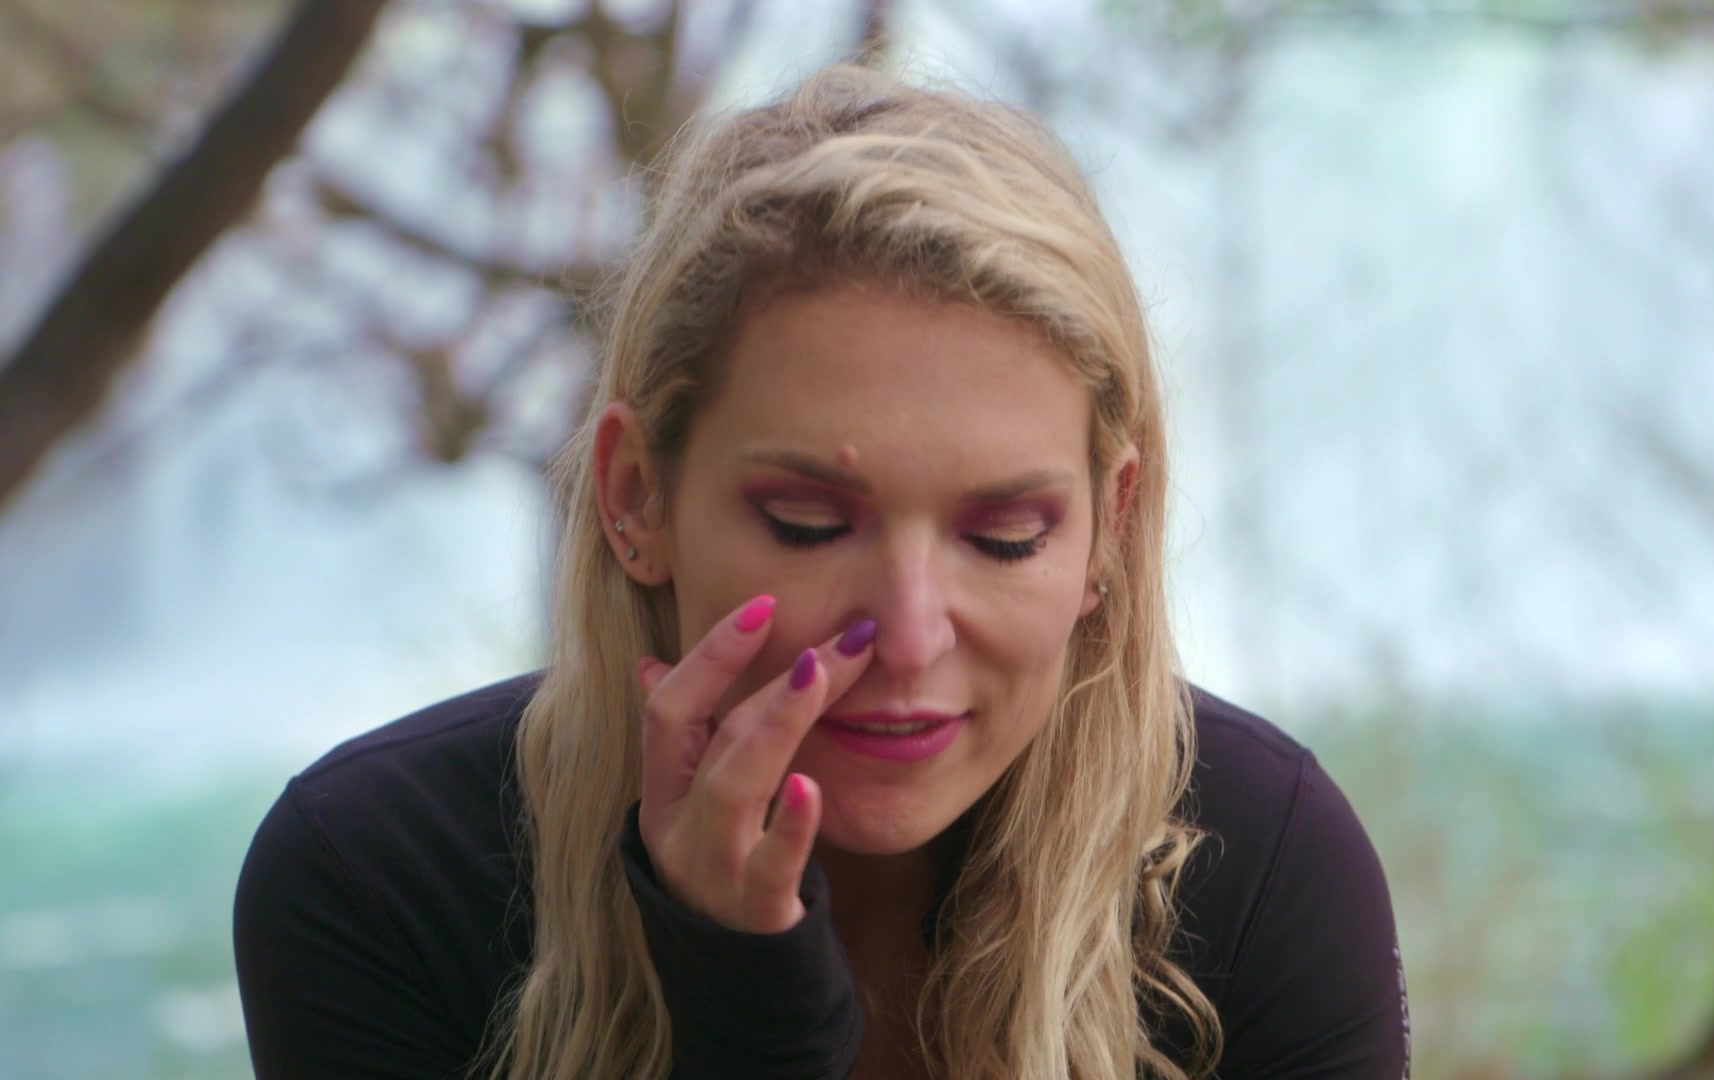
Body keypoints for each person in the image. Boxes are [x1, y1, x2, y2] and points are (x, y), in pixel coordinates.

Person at [232, 63, 1409, 1080]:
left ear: (1112, 528)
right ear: (636, 497)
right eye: (807, 523)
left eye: (1005, 537)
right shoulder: (376, 878)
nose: (908, 636)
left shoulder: (1262, 869)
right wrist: (745, 1009)